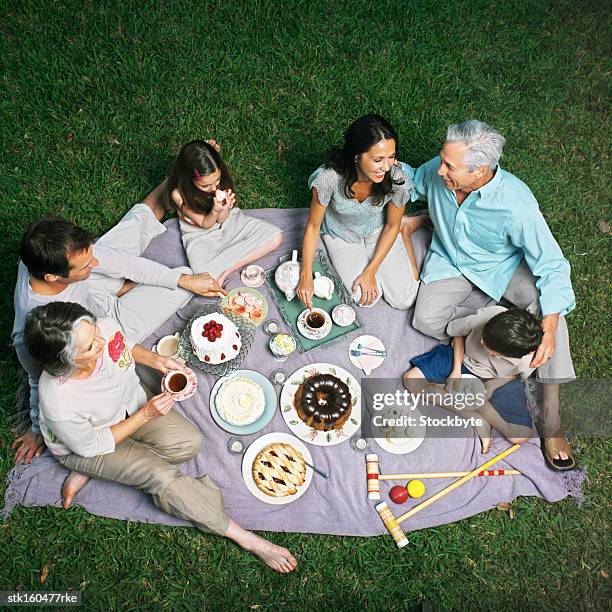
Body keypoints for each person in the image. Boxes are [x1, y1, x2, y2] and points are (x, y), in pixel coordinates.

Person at [24, 302, 297, 574]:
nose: (101, 339)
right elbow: (92, 445)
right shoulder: (60, 403)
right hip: (89, 445)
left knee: (189, 443)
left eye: (95, 330)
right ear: (65, 362)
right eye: (90, 346)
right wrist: (146, 416)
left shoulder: (101, 330)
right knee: (161, 476)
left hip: (129, 406)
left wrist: (157, 361)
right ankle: (247, 539)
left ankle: (108, 469)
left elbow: (124, 347)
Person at [401, 119, 576, 470]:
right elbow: (412, 180)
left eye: (450, 165)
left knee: (548, 314)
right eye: (442, 158)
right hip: (450, 260)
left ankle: (551, 419)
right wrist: (375, 168)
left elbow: (553, 265)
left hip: (501, 265)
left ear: (480, 170)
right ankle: (492, 331)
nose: (440, 167)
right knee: (424, 318)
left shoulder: (516, 204)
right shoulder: (439, 171)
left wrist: (551, 325)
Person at [12, 198, 226, 465]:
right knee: (163, 281)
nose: (94, 263)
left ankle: (165, 196)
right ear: (52, 278)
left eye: (90, 257)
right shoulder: (36, 330)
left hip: (97, 307)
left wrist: (184, 279)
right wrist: (35, 429)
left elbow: (119, 262)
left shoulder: (39, 258)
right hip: (105, 329)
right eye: (86, 265)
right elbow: (38, 378)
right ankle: (121, 286)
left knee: (182, 277)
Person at [296, 114, 421, 309]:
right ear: (356, 156)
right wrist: (306, 275)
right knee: (364, 297)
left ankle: (405, 233)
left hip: (378, 229)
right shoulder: (328, 179)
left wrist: (371, 271)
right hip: (340, 234)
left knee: (404, 301)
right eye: (378, 159)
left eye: (392, 157)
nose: (386, 167)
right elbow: (313, 226)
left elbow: (391, 225)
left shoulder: (397, 179)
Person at [404, 306, 539, 453]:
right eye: (484, 337)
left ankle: (476, 404)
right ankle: (475, 418)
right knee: (411, 379)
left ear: (500, 355)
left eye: (487, 346)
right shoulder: (489, 316)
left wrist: (491, 388)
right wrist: (456, 370)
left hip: (493, 378)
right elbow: (458, 334)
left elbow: (513, 376)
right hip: (462, 360)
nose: (481, 342)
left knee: (520, 436)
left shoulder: (526, 360)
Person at [164, 139, 284, 286]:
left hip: (227, 223)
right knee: (204, 276)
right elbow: (205, 224)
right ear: (189, 179)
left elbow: (222, 220)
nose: (214, 188)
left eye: (217, 180)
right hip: (199, 234)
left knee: (276, 237)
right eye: (206, 185)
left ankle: (227, 270)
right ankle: (228, 258)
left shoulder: (217, 183)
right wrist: (215, 210)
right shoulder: (179, 195)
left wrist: (224, 208)